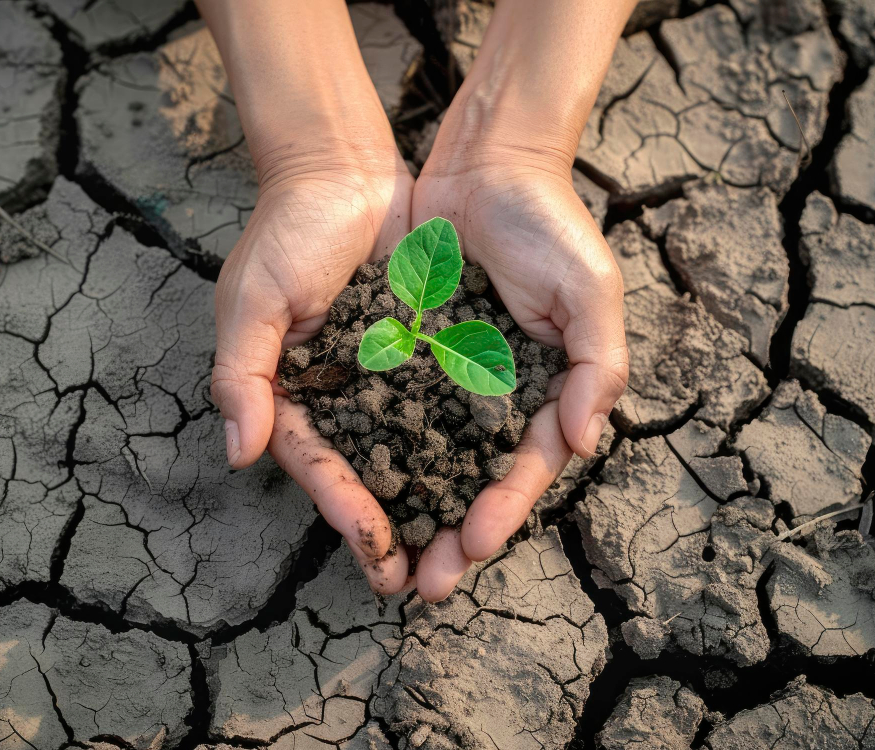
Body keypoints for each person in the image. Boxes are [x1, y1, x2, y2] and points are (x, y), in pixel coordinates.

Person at [196, 0, 635, 602]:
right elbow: (386, 352)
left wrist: (518, 148)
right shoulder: (386, 338)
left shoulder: (428, 328)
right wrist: (317, 155)